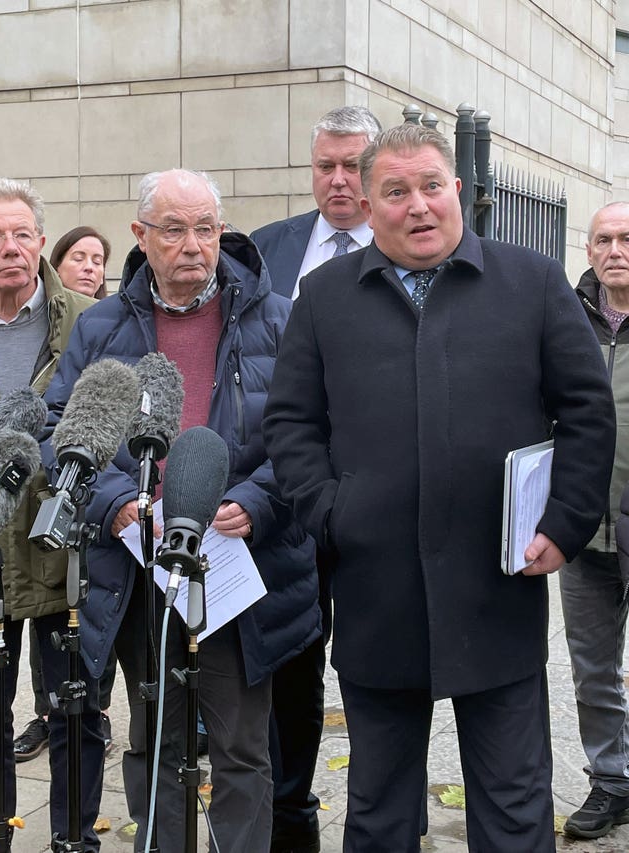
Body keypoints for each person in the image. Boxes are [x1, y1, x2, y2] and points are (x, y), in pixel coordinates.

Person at [262, 124, 617, 853]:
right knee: (379, 810)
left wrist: (566, 519)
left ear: (457, 190)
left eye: (431, 186)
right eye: (395, 191)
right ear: (367, 203)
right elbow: (292, 422)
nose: (418, 206)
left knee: (515, 806)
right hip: (376, 591)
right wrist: (332, 513)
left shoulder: (531, 281)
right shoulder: (325, 297)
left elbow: (586, 409)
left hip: (499, 585)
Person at [41, 168, 321, 853]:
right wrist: (113, 505)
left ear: (221, 232)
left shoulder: (277, 318)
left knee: (240, 746)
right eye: (174, 229)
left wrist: (253, 503)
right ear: (141, 236)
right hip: (140, 572)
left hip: (235, 567)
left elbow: (309, 432)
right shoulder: (104, 326)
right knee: (157, 737)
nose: (193, 244)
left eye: (206, 228)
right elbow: (60, 429)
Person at [251, 104, 381, 853]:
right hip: (284, 495)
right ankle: (289, 815)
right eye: (326, 165)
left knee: (373, 666)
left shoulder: (409, 248)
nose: (339, 180)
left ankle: (387, 812)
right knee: (291, 665)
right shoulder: (271, 248)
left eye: (352, 165)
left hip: (370, 497)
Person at [0, 177, 102, 852]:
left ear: (41, 241)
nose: (9, 248)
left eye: (22, 233)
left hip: (69, 554)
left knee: (76, 715)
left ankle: (74, 840)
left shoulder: (93, 319)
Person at [14, 225, 116, 763]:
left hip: (77, 525)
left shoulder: (98, 321)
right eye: (80, 256)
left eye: (100, 259)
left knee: (75, 649)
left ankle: (87, 711)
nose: (92, 266)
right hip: (6, 536)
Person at [559, 200, 629, 839]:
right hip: (583, 530)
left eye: (627, 238)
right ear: (588, 253)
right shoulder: (568, 322)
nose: (615, 250)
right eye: (603, 239)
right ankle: (612, 781)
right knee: (593, 668)